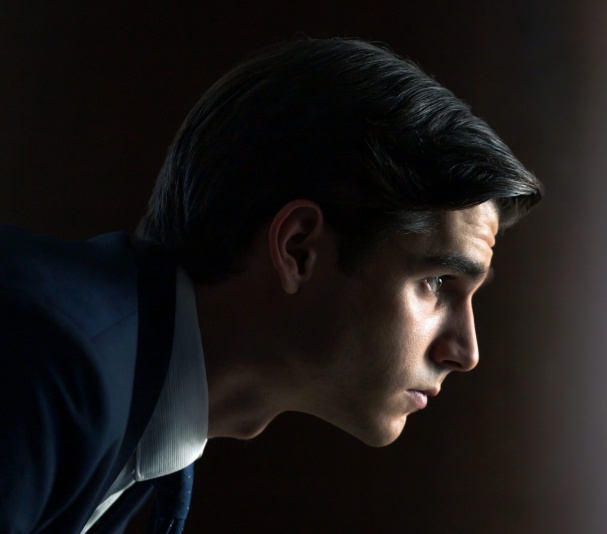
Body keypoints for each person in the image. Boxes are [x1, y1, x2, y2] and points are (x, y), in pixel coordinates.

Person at [0, 38, 542, 533]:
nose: (465, 351)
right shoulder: (49, 362)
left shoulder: (129, 393)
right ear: (298, 248)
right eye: (437, 282)